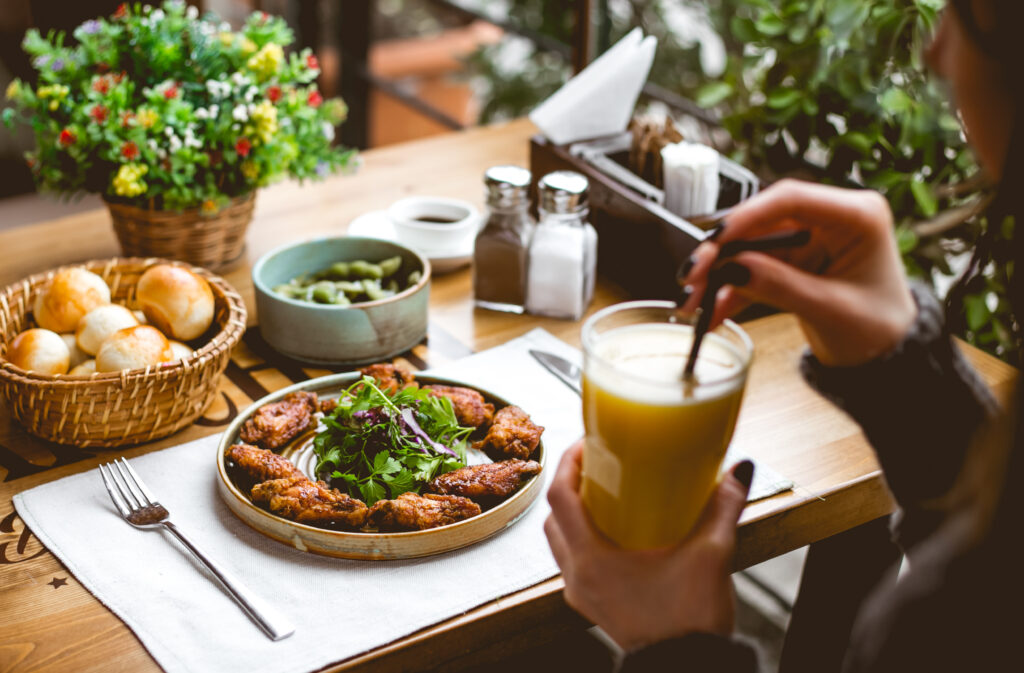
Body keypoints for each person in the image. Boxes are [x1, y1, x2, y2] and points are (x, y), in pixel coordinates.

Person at [543, 0, 1023, 669]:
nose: (936, 53)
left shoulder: (934, 619)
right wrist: (903, 371)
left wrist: (678, 648)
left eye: (971, 12)